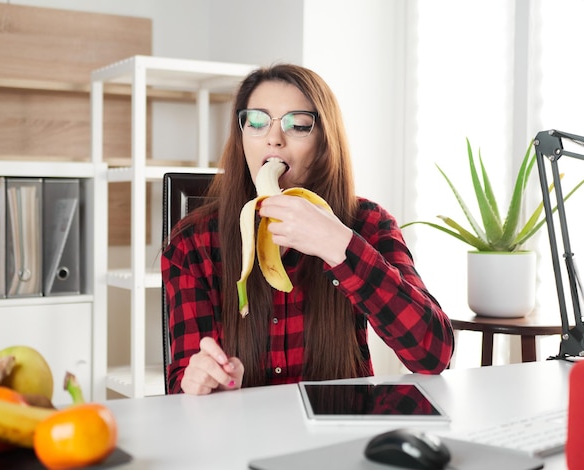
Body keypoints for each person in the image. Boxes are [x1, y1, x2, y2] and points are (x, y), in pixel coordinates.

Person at [162, 63, 454, 395]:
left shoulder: (368, 223)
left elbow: (433, 355)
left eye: (298, 125)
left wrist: (340, 246)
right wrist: (203, 380)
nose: (274, 139)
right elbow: (183, 385)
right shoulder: (192, 243)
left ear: (324, 144)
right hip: (243, 438)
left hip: (341, 433)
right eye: (256, 123)